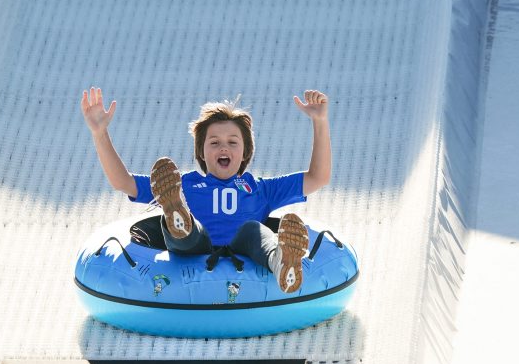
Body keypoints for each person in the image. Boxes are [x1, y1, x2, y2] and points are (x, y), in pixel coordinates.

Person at [80, 87, 331, 293]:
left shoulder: (261, 188)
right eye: (214, 142)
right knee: (191, 231)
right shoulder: (184, 184)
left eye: (232, 142)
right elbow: (123, 182)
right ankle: (177, 217)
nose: (224, 148)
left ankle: (281, 261)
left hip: (245, 250)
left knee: (253, 231)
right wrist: (99, 132)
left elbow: (317, 177)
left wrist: (319, 121)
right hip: (194, 249)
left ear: (245, 152)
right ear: (201, 152)